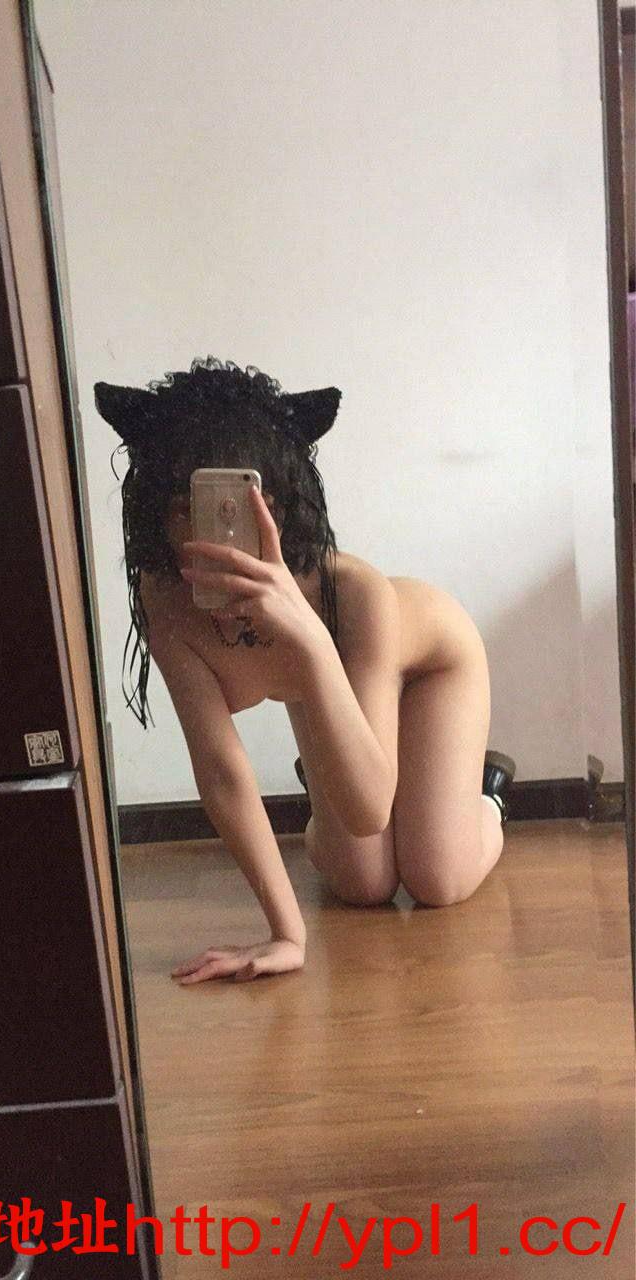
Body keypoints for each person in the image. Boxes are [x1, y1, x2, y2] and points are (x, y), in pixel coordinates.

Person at [94, 356, 515, 985]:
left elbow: (369, 809)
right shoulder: (166, 601)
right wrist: (286, 934)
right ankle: (330, 781)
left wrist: (310, 637)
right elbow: (222, 773)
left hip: (433, 665)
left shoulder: (351, 593)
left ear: (279, 501)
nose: (211, 534)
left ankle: (487, 795)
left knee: (436, 878)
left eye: (241, 505)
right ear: (154, 508)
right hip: (327, 690)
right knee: (364, 883)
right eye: (185, 508)